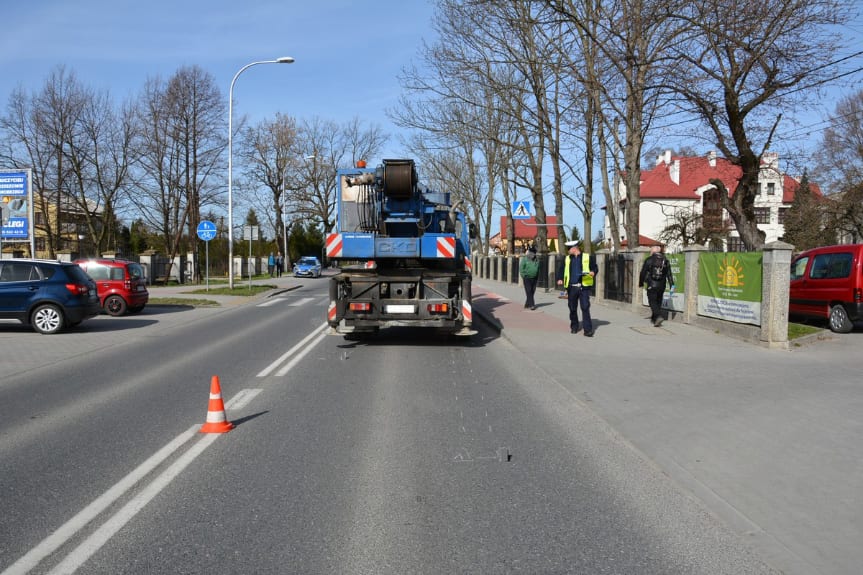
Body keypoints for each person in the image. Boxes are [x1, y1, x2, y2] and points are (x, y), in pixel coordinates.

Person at [556, 241, 598, 337]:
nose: (568, 251)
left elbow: (595, 268)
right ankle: (574, 326)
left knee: (585, 307)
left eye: (569, 249)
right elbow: (562, 269)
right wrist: (559, 278)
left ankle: (588, 330)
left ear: (574, 248)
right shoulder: (567, 259)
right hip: (571, 287)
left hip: (584, 287)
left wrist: (593, 272)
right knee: (572, 308)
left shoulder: (587, 257)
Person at [639, 245, 675, 327]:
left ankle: (658, 316)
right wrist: (672, 285)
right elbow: (669, 274)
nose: (650, 252)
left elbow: (643, 272)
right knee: (658, 301)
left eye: (650, 251)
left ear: (653, 252)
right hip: (662, 285)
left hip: (652, 284)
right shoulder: (665, 260)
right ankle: (655, 320)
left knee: (652, 301)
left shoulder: (649, 260)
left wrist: (641, 283)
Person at [519, 246, 540, 310]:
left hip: (534, 277)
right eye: (531, 253)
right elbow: (521, 268)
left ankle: (527, 304)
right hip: (527, 278)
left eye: (534, 253)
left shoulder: (537, 260)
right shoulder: (525, 259)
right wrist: (523, 275)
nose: (532, 254)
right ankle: (532, 305)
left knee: (532, 291)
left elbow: (538, 268)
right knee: (529, 291)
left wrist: (537, 275)